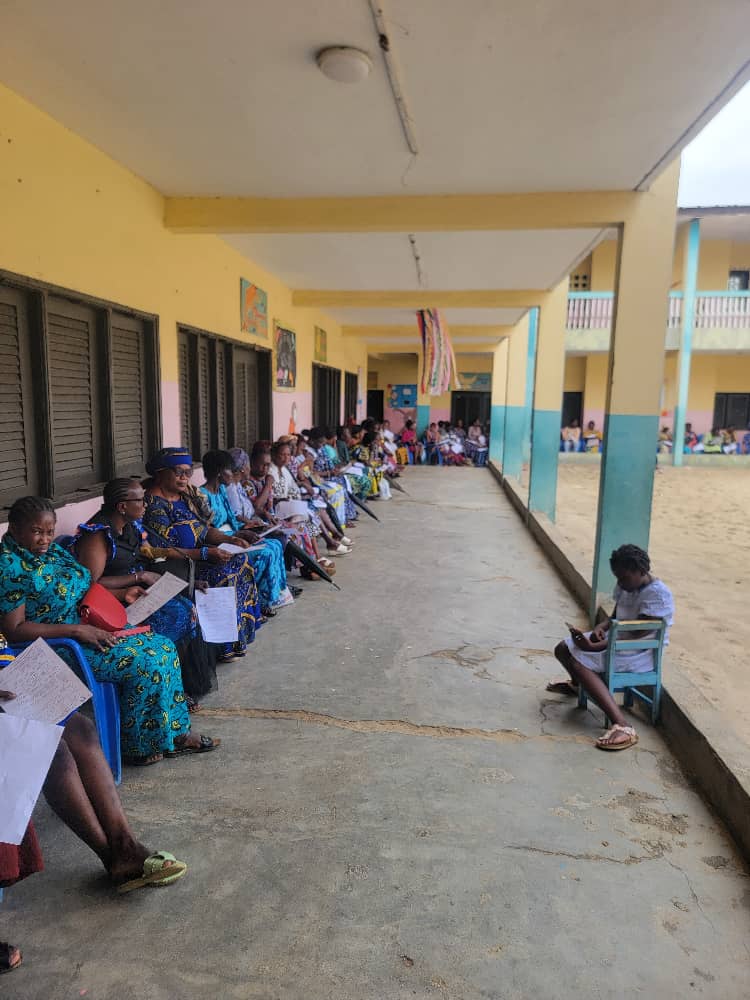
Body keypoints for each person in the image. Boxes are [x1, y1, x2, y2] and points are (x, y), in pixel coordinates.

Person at [0, 496, 220, 766]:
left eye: (49, 532)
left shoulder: (50, 553)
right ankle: (138, 746)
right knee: (146, 662)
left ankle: (174, 733)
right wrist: (77, 632)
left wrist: (121, 593)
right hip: (57, 643)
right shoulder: (9, 567)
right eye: (37, 532)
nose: (45, 539)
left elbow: (84, 586)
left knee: (162, 646)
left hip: (88, 624)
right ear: (14, 528)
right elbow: (15, 630)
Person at [73, 478, 217, 713]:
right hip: (110, 602)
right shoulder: (97, 535)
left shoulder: (130, 527)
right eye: (140, 500)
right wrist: (138, 578)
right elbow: (89, 584)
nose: (146, 505)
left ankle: (174, 687)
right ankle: (160, 689)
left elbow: (150, 554)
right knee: (175, 616)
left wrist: (180, 582)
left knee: (186, 608)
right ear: (122, 506)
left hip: (136, 591)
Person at [549, 544, 674, 751]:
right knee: (562, 648)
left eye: (623, 578)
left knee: (580, 663)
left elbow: (636, 634)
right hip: (617, 639)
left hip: (639, 651)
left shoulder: (658, 596)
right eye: (618, 578)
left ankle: (624, 726)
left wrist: (595, 646)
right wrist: (600, 627)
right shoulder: (627, 585)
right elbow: (615, 617)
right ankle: (579, 685)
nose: (620, 583)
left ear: (641, 571)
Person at [141, 447, 262, 660]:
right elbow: (163, 550)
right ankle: (219, 645)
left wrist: (230, 539)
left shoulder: (185, 497)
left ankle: (235, 637)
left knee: (240, 560)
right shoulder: (152, 505)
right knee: (223, 572)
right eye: (178, 471)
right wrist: (206, 554)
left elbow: (204, 530)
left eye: (188, 472)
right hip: (174, 565)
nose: (184, 477)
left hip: (197, 556)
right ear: (161, 472)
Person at [199, 449, 293, 613]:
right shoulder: (202, 495)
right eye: (230, 469)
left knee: (275, 544)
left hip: (233, 534)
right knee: (266, 552)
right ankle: (259, 601)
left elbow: (231, 518)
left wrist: (246, 529)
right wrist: (235, 536)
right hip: (219, 540)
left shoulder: (221, 490)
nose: (233, 473)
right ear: (220, 472)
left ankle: (274, 595)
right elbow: (206, 529)